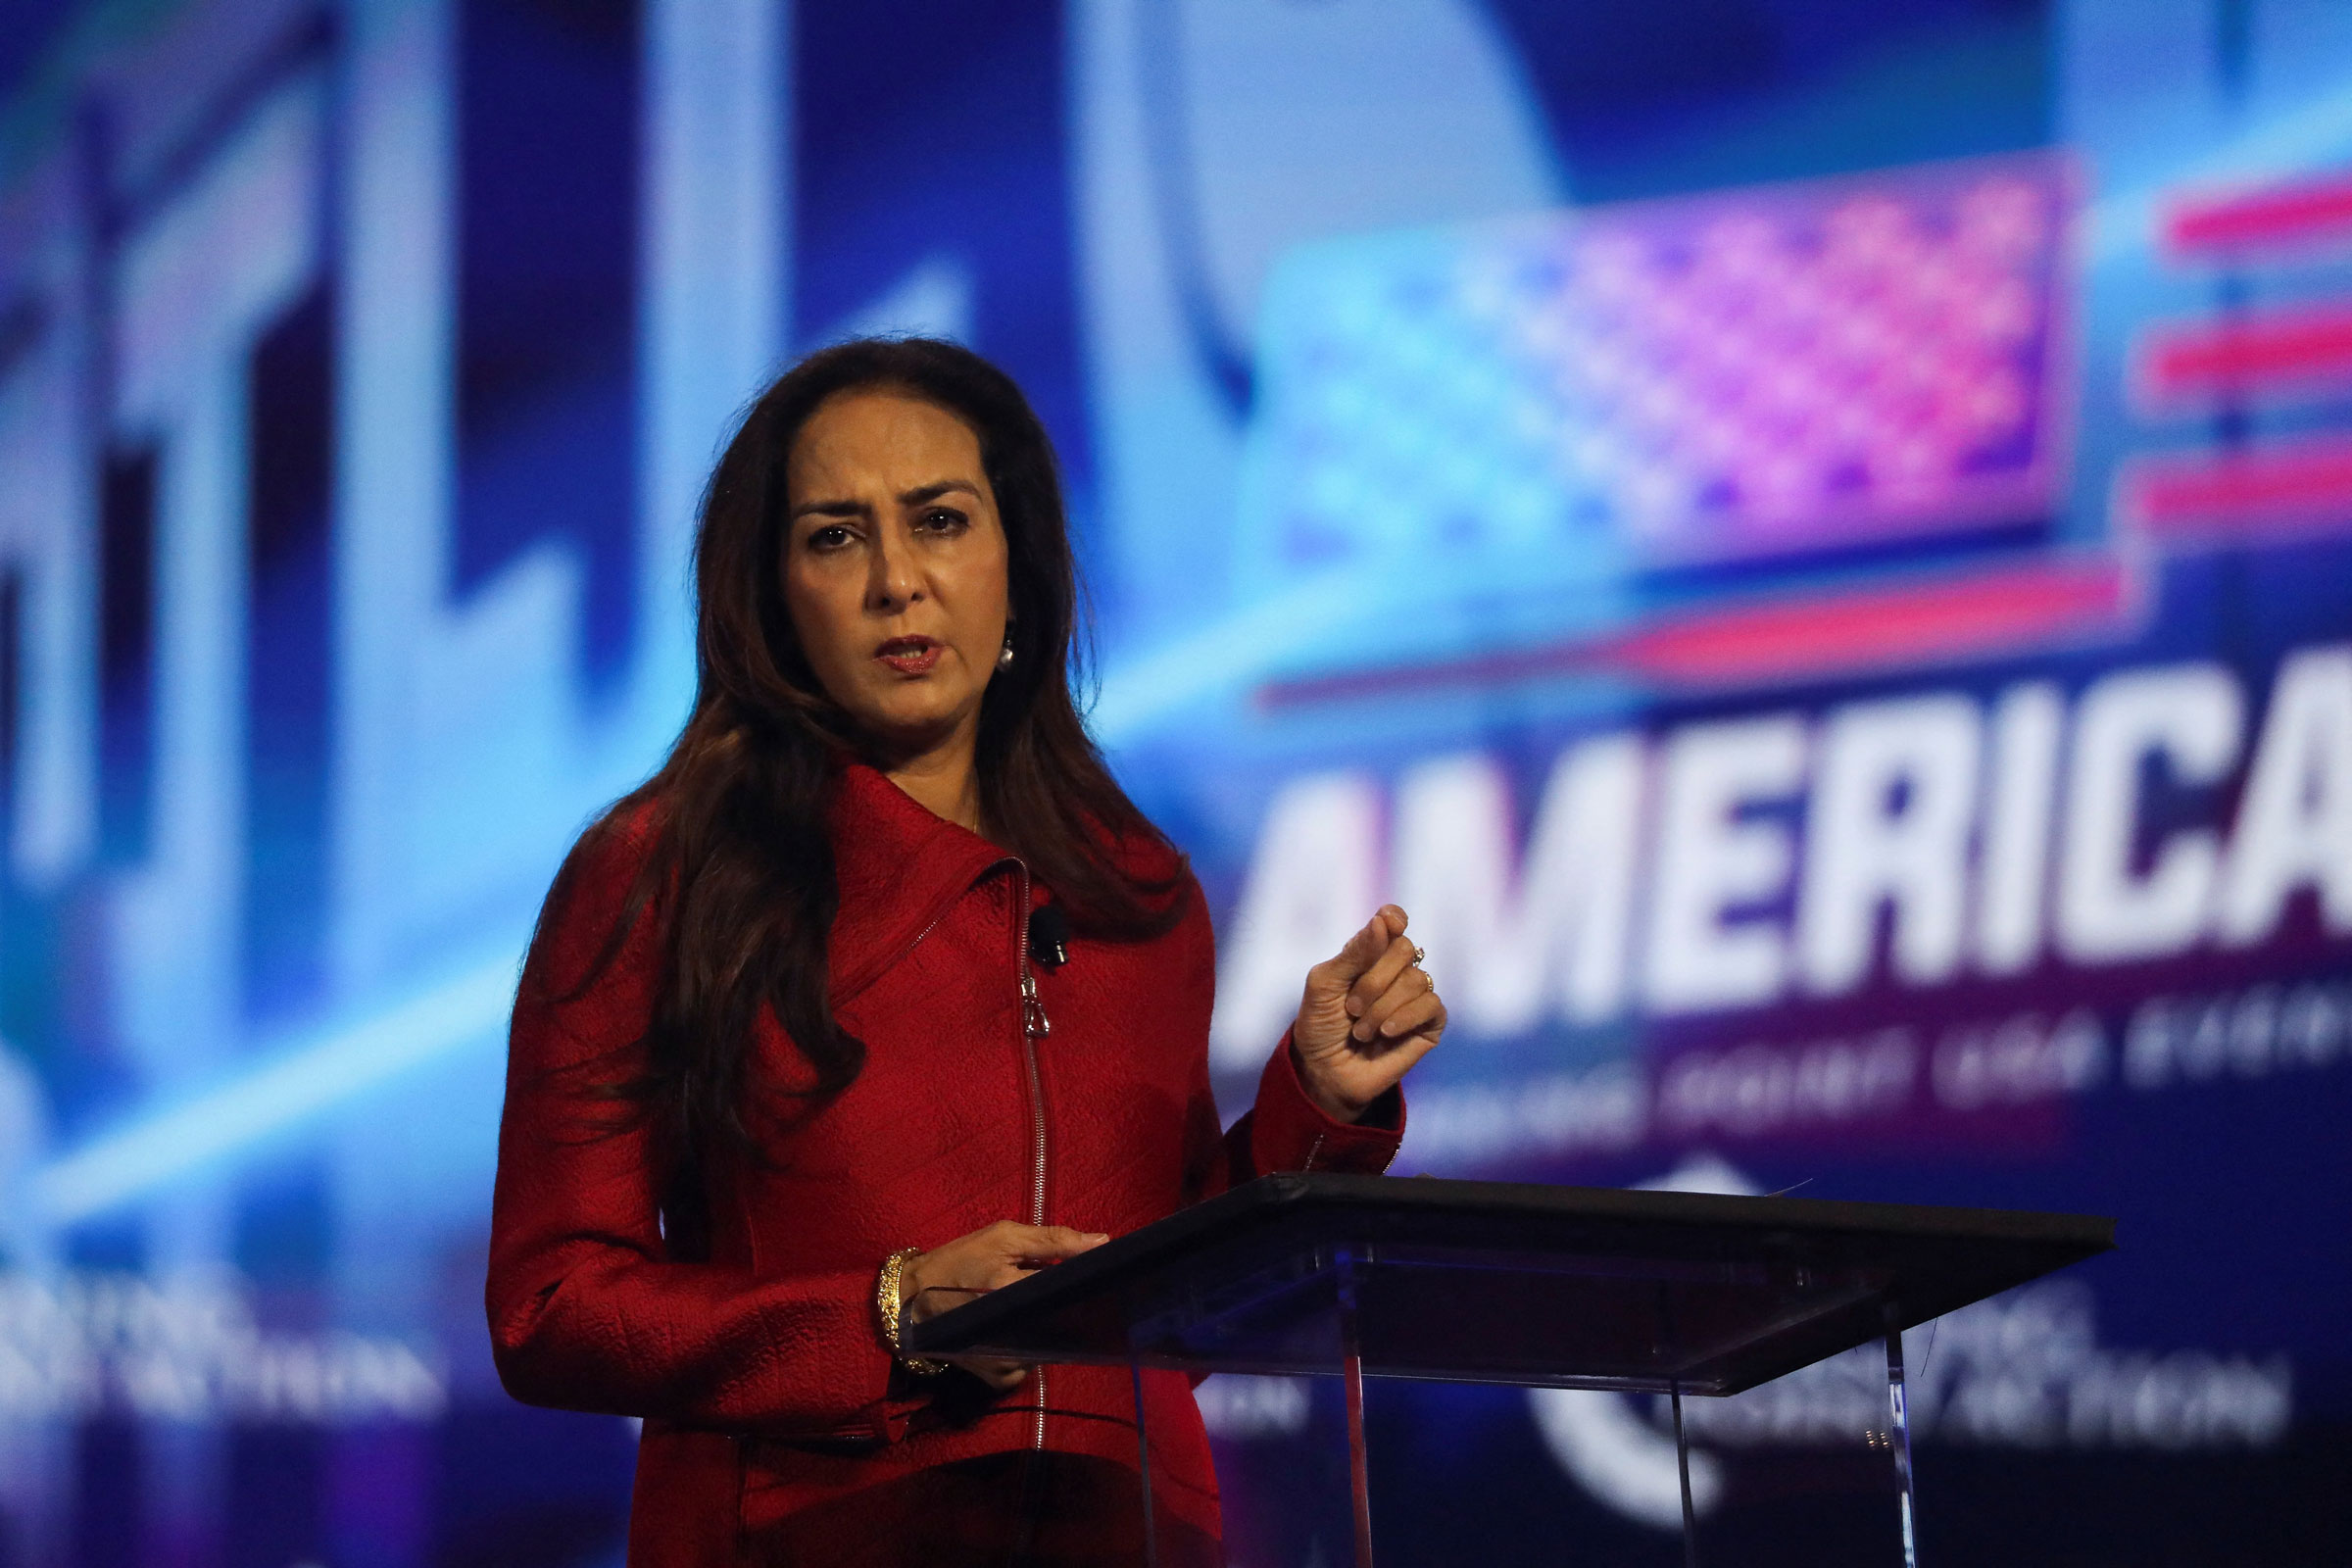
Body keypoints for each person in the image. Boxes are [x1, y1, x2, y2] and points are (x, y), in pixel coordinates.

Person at [486, 338, 1446, 1566]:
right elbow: (551, 1304)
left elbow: (1165, 1311)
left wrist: (1319, 1107)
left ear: (1016, 562)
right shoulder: (663, 872)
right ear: (772, 591)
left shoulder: (1139, 893)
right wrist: (886, 1316)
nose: (897, 581)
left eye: (939, 520)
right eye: (836, 536)